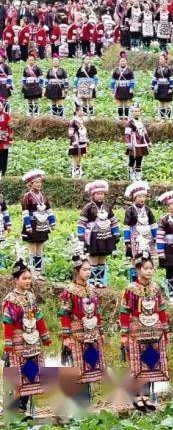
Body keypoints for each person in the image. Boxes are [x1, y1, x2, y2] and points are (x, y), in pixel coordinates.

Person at [120, 251, 170, 412]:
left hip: (155, 331)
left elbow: (161, 309)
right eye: (146, 268)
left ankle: (146, 395)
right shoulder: (130, 289)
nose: (149, 271)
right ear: (138, 269)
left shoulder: (156, 288)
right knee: (137, 364)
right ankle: (135, 395)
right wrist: (124, 334)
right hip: (136, 332)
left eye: (151, 268)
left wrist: (165, 329)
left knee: (151, 363)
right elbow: (124, 312)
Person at [2, 255, 51, 418]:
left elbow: (39, 317)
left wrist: (45, 336)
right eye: (24, 278)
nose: (28, 281)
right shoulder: (10, 300)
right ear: (16, 280)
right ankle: (14, 406)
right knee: (17, 373)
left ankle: (25, 405)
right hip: (18, 342)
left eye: (30, 278)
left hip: (33, 340)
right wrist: (8, 343)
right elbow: (7, 322)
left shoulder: (31, 297)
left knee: (31, 371)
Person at [58, 244, 106, 405]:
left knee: (91, 364)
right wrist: (66, 336)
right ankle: (79, 401)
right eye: (85, 270)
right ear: (77, 271)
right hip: (77, 333)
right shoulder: (69, 291)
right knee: (78, 366)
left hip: (92, 333)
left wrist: (101, 331)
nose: (88, 272)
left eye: (89, 269)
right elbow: (64, 314)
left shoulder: (92, 290)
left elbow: (97, 312)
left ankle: (89, 400)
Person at [77, 180, 120, 287]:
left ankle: (100, 281)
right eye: (98, 194)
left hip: (106, 236)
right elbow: (81, 222)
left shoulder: (106, 207)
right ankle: (91, 282)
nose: (100, 196)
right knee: (94, 259)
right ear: (92, 195)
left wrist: (116, 233)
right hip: (93, 237)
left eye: (102, 194)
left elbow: (113, 221)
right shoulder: (88, 208)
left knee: (102, 259)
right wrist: (81, 235)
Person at [21, 170, 56, 278]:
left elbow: (49, 210)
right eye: (36, 182)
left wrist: (52, 222)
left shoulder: (43, 196)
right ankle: (31, 271)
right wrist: (27, 225)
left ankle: (39, 271)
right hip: (32, 224)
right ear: (30, 184)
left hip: (42, 224)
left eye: (40, 182)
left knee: (40, 248)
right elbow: (25, 212)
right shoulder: (27, 196)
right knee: (33, 249)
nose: (39, 184)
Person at [124, 181, 158, 281]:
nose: (142, 199)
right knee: (136, 259)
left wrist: (156, 237)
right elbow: (126, 226)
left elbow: (153, 224)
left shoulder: (147, 210)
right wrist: (127, 241)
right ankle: (134, 281)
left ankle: (147, 279)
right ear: (134, 198)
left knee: (148, 257)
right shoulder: (130, 210)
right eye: (139, 197)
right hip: (135, 237)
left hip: (148, 237)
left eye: (143, 196)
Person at [124, 104, 151, 181]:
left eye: (138, 111)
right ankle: (130, 174)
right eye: (135, 111)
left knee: (140, 158)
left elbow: (145, 132)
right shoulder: (130, 122)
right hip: (134, 142)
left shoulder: (140, 122)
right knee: (132, 158)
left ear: (140, 112)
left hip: (141, 142)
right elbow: (127, 133)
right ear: (132, 112)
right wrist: (128, 142)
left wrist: (148, 141)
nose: (136, 113)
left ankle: (138, 174)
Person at [111, 52, 135, 120]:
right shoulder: (116, 70)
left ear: (126, 62)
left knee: (127, 103)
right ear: (119, 62)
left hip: (127, 89)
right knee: (120, 104)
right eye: (121, 61)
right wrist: (112, 89)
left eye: (124, 61)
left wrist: (132, 88)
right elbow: (112, 81)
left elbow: (132, 80)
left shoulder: (130, 70)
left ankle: (127, 117)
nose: (123, 62)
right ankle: (121, 117)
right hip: (119, 89)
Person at [68, 104, 89, 178]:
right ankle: (74, 171)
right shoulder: (73, 121)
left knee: (81, 156)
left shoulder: (81, 120)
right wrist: (74, 142)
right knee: (76, 157)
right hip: (76, 142)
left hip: (82, 141)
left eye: (82, 110)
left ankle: (79, 169)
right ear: (76, 112)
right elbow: (71, 133)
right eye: (80, 110)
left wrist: (87, 140)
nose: (82, 112)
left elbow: (85, 131)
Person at [152, 52, 173, 121]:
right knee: (161, 103)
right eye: (159, 59)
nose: (160, 60)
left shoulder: (169, 69)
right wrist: (152, 86)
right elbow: (155, 78)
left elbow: (171, 79)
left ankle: (169, 118)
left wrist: (170, 88)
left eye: (161, 59)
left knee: (167, 104)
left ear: (165, 60)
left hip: (166, 87)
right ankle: (162, 118)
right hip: (159, 87)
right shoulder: (157, 69)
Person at [21, 52, 44, 117]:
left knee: (36, 99)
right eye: (30, 60)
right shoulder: (26, 69)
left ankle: (36, 113)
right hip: (28, 86)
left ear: (34, 61)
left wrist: (41, 85)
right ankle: (30, 113)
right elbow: (24, 78)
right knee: (29, 100)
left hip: (36, 85)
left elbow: (41, 77)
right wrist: (24, 85)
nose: (31, 61)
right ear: (28, 60)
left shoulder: (37, 68)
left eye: (32, 60)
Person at [0, 97, 13, 177]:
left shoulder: (7, 116)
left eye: (0, 105)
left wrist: (11, 135)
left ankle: (3, 172)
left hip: (5, 140)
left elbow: (11, 127)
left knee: (5, 156)